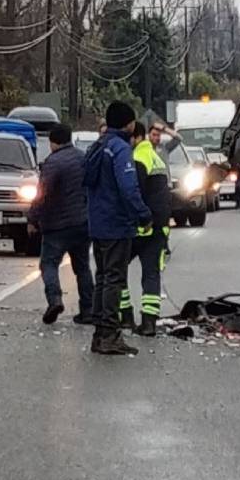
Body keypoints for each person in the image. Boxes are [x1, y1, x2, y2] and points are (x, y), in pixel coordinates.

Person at [84, 102, 152, 356]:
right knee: (114, 279)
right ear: (129, 124)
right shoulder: (120, 149)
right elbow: (128, 188)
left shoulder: (98, 146)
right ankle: (110, 335)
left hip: (98, 222)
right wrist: (143, 215)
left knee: (102, 277)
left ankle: (100, 333)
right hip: (116, 224)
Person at [26, 124, 94, 325]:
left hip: (56, 226)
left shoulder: (52, 163)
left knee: (48, 264)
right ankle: (88, 310)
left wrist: (32, 219)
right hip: (82, 222)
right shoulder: (83, 158)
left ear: (52, 142)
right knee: (82, 267)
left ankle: (55, 300)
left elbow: (42, 194)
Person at [119, 122, 171, 337]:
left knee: (116, 269)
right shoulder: (155, 157)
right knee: (151, 274)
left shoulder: (138, 159)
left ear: (137, 137)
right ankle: (149, 322)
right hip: (160, 226)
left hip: (141, 226)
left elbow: (133, 193)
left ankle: (126, 317)